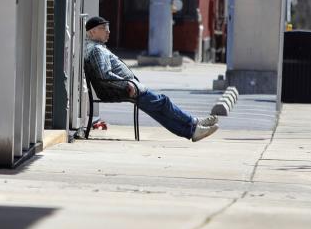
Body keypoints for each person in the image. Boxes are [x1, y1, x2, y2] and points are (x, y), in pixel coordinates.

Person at [83, 16, 218, 142]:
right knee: (163, 103)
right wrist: (126, 85)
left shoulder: (97, 48)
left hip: (124, 87)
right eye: (104, 29)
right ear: (93, 32)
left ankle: (192, 130)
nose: (108, 31)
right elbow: (104, 75)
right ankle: (193, 123)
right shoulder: (97, 50)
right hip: (122, 89)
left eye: (108, 28)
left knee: (158, 108)